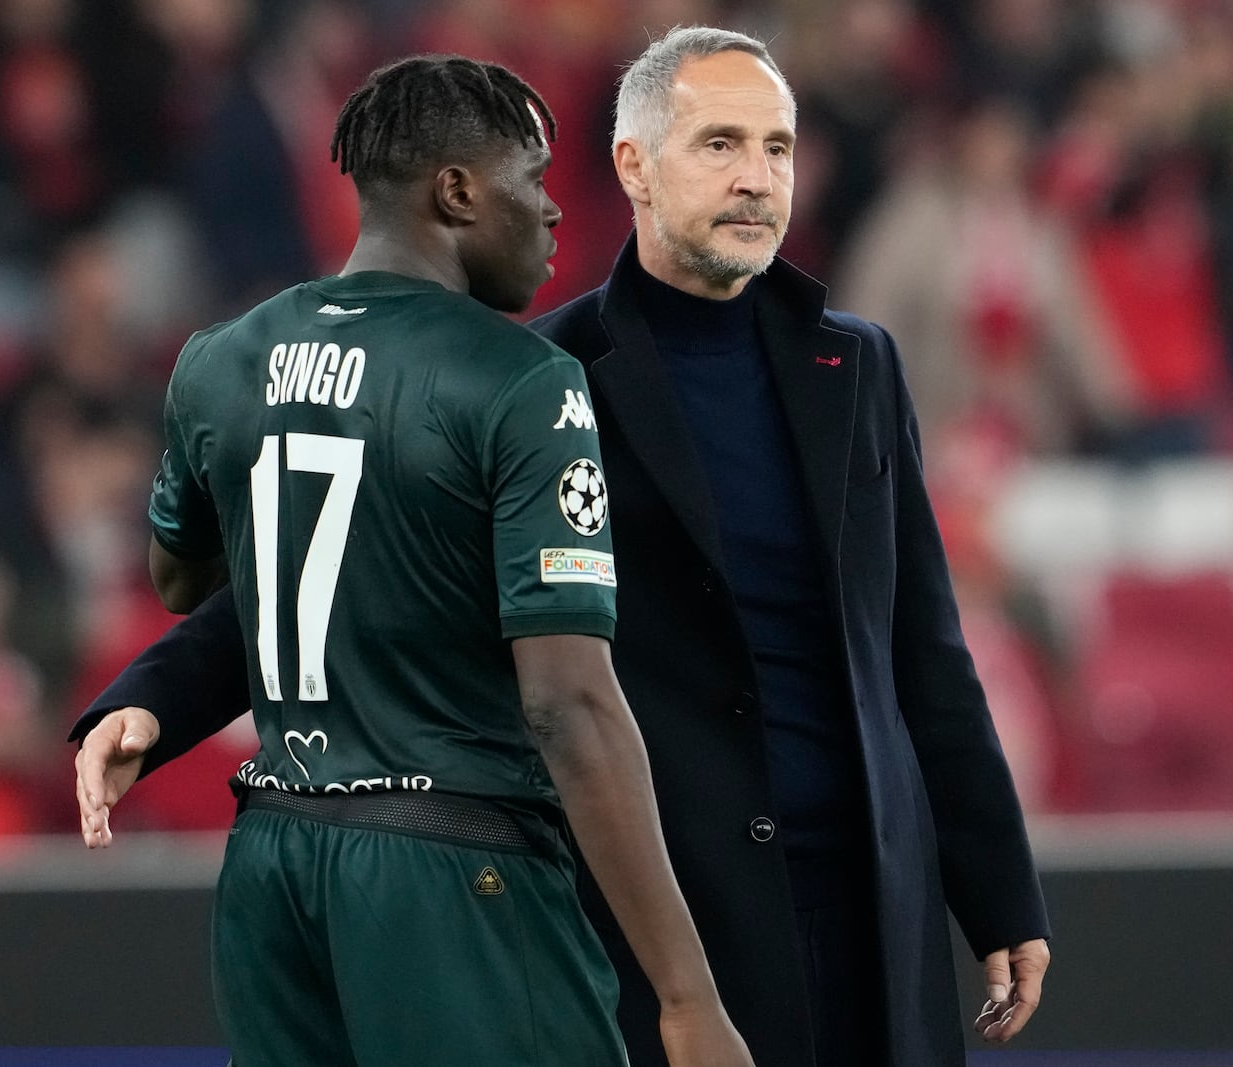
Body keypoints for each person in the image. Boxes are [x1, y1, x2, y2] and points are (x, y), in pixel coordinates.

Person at [74, 27, 1052, 1066]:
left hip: (867, 898)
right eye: (719, 144)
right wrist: (158, 695)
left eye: (777, 148)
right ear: (633, 164)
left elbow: (921, 647)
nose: (757, 178)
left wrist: (996, 887)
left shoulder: (855, 367)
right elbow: (348, 566)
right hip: (665, 910)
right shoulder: (536, 375)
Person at [81, 53, 753, 1067]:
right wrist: (685, 994)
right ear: (456, 191)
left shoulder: (220, 358)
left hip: (273, 868)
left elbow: (186, 580)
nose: (554, 211)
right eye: (531, 179)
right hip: (453, 873)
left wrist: (161, 692)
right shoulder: (522, 380)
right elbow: (567, 705)